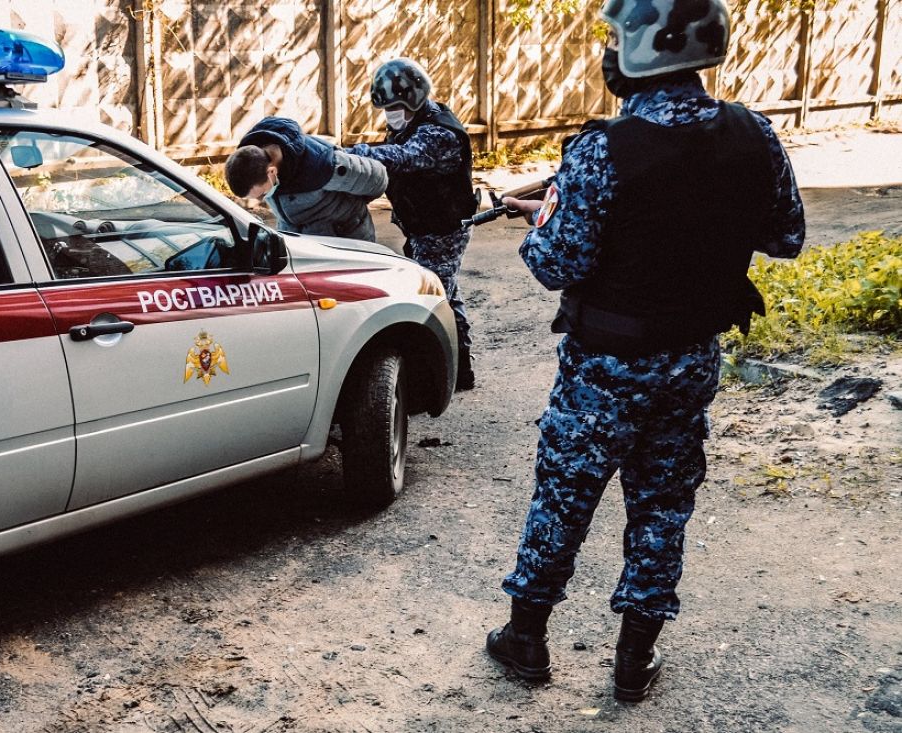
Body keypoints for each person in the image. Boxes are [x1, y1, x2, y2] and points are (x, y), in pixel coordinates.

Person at [485, 0, 805, 702]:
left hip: (605, 366)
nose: (607, 53)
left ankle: (526, 638)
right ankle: (635, 659)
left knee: (565, 495)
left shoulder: (603, 149)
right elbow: (787, 237)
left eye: (615, 39)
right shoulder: (754, 134)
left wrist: (544, 216)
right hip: (690, 359)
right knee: (662, 505)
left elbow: (555, 263)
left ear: (647, 48)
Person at [347, 59, 479, 391]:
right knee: (447, 295)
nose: (390, 114)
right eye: (387, 108)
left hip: (443, 230)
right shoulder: (413, 123)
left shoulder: (438, 133)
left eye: (395, 107)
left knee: (432, 301)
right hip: (426, 227)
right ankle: (460, 371)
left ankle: (432, 380)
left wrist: (350, 154)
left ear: (415, 98)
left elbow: (403, 157)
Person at [225, 116, 387, 242]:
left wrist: (350, 211)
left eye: (262, 194)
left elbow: (377, 180)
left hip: (348, 244)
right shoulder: (256, 162)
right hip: (308, 246)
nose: (262, 199)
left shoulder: (323, 164)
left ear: (272, 171)